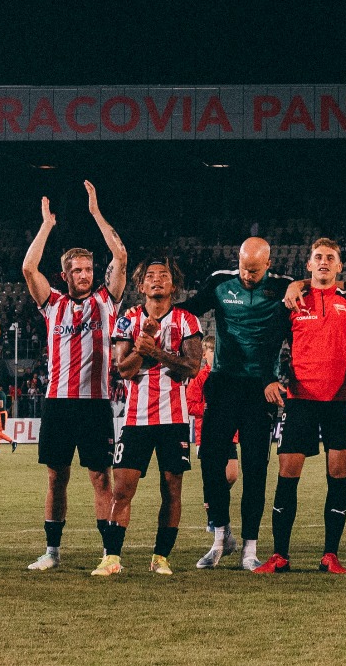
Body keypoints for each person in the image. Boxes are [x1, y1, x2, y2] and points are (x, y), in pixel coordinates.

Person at [20, 183, 129, 572]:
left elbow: (120, 253)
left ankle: (109, 554)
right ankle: (52, 552)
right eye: (77, 270)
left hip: (97, 404)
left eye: (88, 269)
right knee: (56, 478)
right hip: (58, 402)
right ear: (64, 274)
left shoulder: (107, 300)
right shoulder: (53, 304)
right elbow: (28, 268)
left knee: (101, 478)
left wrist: (96, 213)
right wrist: (47, 225)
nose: (84, 275)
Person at [252, 238, 346, 575]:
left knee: (337, 479)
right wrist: (267, 379)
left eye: (330, 258)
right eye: (318, 257)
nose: (323, 262)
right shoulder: (292, 302)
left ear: (339, 266)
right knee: (286, 477)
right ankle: (279, 555)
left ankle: (330, 555)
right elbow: (266, 345)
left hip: (340, 403)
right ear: (308, 265)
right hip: (300, 402)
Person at [185, 237, 294, 570]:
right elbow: (188, 311)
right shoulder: (221, 282)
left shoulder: (284, 289)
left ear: (269, 264)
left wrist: (284, 379)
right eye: (244, 267)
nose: (247, 274)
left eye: (255, 269)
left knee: (256, 469)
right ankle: (220, 538)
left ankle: (250, 548)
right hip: (222, 383)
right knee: (211, 463)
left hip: (261, 389)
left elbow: (300, 333)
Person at [102, 258, 205, 576]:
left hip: (174, 420)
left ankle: (161, 558)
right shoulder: (128, 320)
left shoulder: (187, 320)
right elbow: (124, 369)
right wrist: (142, 349)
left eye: (164, 276)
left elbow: (192, 367)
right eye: (150, 276)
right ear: (140, 285)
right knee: (122, 490)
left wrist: (157, 350)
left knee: (172, 490)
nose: (157, 280)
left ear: (173, 285)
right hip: (135, 420)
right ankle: (111, 558)